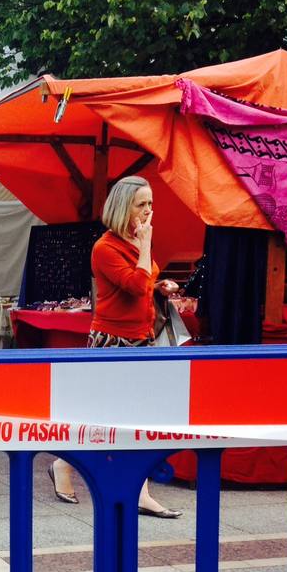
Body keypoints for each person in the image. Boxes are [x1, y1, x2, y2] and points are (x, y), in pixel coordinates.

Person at [68, 175, 181, 518]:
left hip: (141, 336)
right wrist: (146, 246)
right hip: (113, 340)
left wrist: (159, 286)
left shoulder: (134, 241)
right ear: (123, 207)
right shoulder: (106, 247)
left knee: (137, 414)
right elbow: (134, 285)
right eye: (141, 204)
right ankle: (64, 464)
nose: (148, 211)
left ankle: (139, 491)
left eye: (150, 204)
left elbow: (143, 283)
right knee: (104, 414)